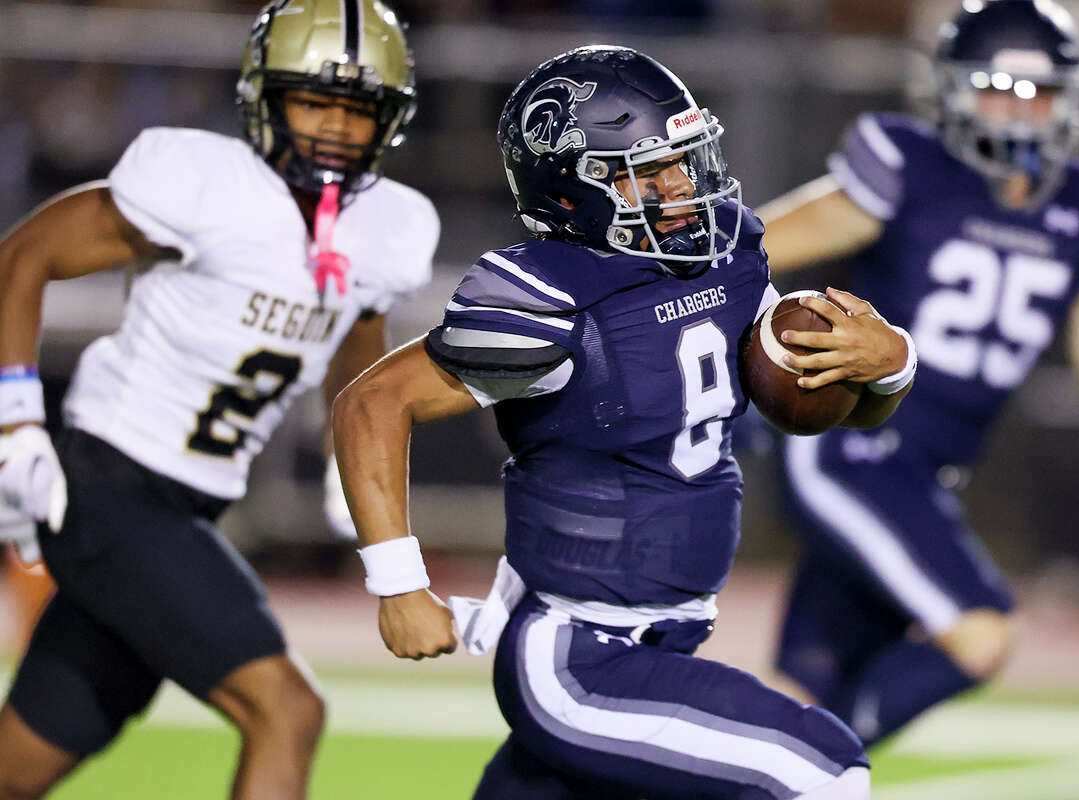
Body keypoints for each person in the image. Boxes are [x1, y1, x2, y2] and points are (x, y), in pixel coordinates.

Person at [334, 44, 917, 800]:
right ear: (572, 191)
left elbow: (815, 401)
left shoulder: (725, 258)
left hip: (665, 635)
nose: (681, 185)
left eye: (684, 158)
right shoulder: (548, 300)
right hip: (577, 659)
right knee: (820, 770)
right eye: (648, 171)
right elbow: (372, 403)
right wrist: (399, 583)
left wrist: (889, 362)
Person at [0, 1, 439, 797]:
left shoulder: (390, 226)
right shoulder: (204, 184)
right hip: (110, 489)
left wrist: (356, 468)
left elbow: (360, 355)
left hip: (190, 507)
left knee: (20, 762)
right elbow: (21, 258)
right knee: (288, 710)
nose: (337, 128)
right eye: (315, 101)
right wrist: (15, 421)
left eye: (358, 108)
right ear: (264, 98)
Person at [757, 0, 1079, 747]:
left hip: (926, 478)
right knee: (981, 634)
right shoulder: (909, 166)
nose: (1022, 112)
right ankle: (804, 771)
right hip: (852, 450)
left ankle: (753, 771)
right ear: (951, 88)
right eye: (1001, 89)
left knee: (799, 692)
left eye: (1040, 92)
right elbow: (750, 250)